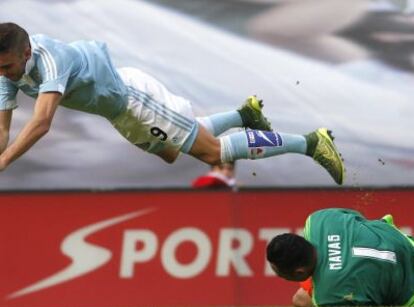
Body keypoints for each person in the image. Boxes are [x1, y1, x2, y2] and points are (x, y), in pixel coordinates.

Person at [0, 23, 345, 185]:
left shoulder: (51, 60)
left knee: (213, 153)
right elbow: (3, 127)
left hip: (134, 101)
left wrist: (4, 162)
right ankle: (245, 114)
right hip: (119, 113)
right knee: (173, 151)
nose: (4, 74)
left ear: (26, 53)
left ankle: (311, 143)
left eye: (7, 66)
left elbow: (42, 122)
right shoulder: (7, 72)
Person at [266, 208, 414, 307]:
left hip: (409, 293)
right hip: (404, 244)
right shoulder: (319, 220)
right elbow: (359, 218)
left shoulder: (328, 296)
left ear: (299, 272)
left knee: (301, 300)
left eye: (281, 274)